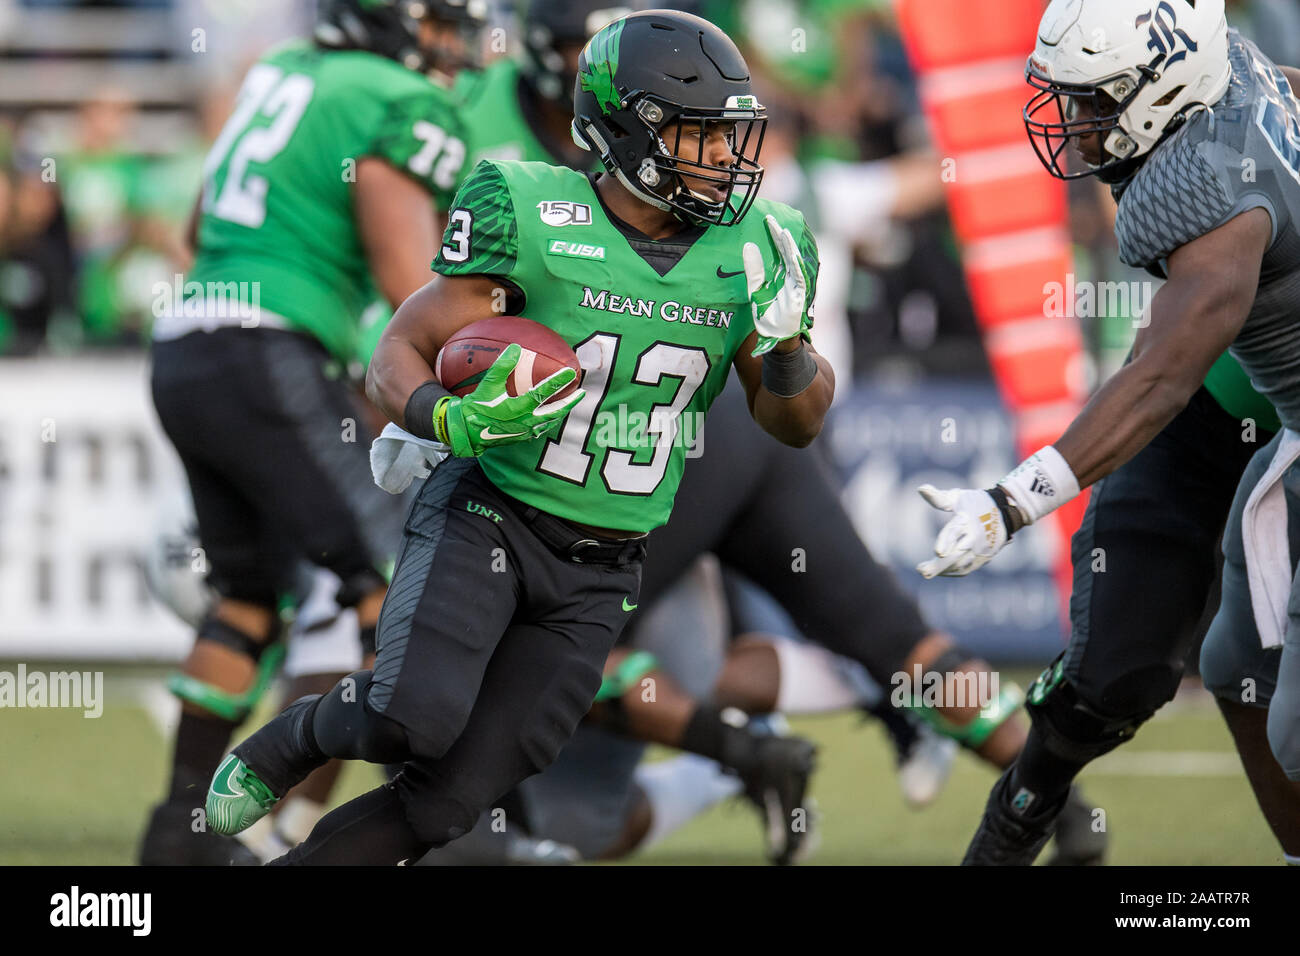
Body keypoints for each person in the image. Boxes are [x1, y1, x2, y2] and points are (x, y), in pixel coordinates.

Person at [204, 8, 837, 866]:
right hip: (490, 514)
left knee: (450, 803)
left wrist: (791, 345)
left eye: (732, 136)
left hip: (606, 562)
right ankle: (291, 741)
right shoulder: (531, 209)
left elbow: (791, 424)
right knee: (409, 717)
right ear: (628, 130)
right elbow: (401, 346)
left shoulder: (760, 246)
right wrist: (445, 417)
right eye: (699, 135)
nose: (727, 157)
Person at [919, 0, 1300, 864]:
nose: (1075, 124)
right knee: (1184, 665)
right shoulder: (1224, 71)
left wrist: (1011, 503)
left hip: (1237, 397)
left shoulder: (1214, 192)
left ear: (1166, 88)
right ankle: (1027, 805)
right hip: (1233, 396)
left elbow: (1162, 375)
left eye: (1097, 101)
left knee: (1295, 722)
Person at [139, 0, 485, 865]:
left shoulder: (285, 73)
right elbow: (416, 285)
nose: (455, 44)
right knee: (396, 589)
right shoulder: (396, 98)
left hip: (186, 346)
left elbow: (197, 232)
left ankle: (176, 832)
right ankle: (413, 827)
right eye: (441, 23)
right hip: (270, 350)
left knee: (248, 599)